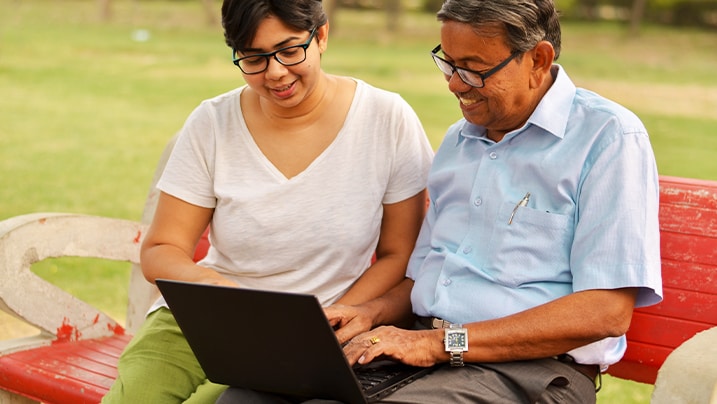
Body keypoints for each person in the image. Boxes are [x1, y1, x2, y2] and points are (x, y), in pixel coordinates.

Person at [311, 0, 660, 403]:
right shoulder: (459, 140)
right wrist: (372, 313)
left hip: (530, 371)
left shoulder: (608, 138)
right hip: (426, 351)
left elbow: (606, 312)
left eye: (474, 69)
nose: (455, 84)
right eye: (448, 63)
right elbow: (425, 278)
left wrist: (440, 345)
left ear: (537, 59)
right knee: (264, 390)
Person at [101, 0, 434, 402]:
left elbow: (400, 255)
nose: (275, 73)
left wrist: (328, 321)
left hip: (315, 333)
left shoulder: (386, 118)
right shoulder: (212, 123)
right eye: (254, 58)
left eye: (290, 50)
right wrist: (217, 289)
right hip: (203, 321)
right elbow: (161, 249)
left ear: (322, 36)